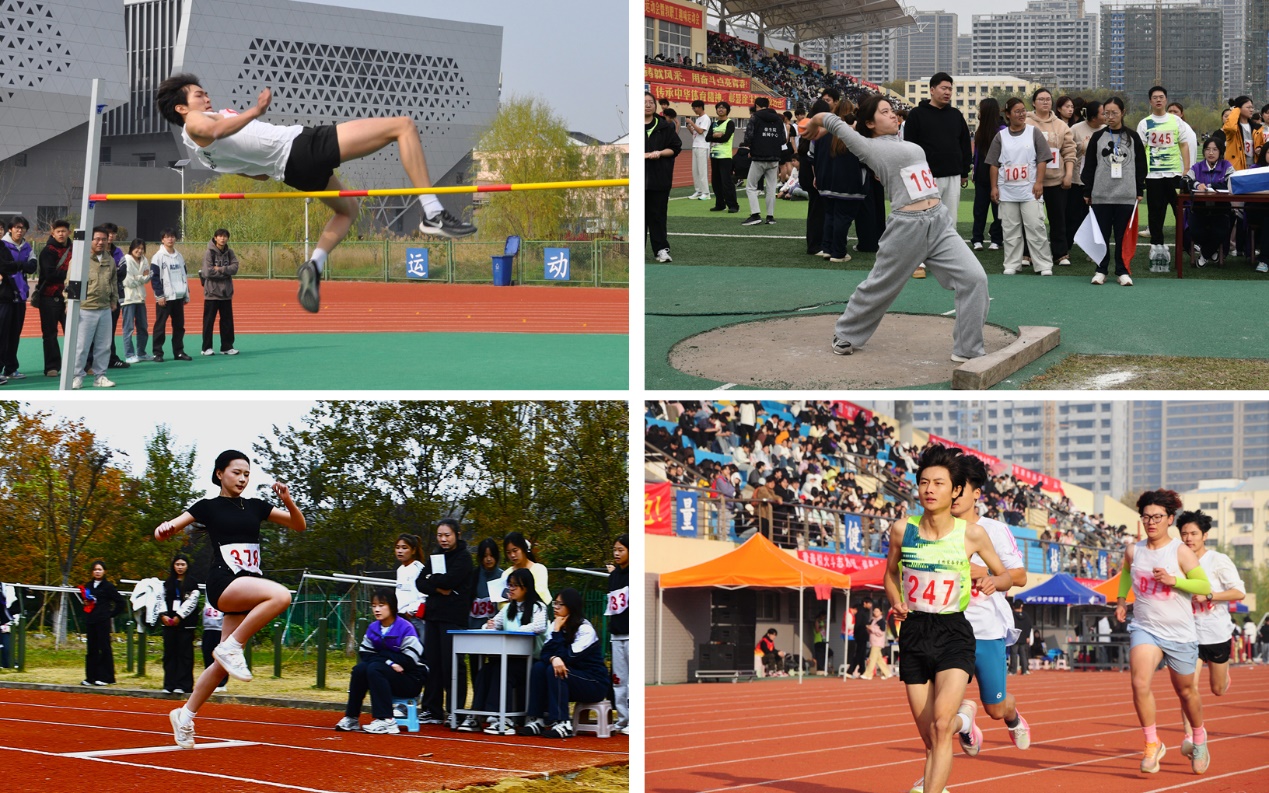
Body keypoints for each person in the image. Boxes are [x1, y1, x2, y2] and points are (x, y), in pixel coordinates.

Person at [155, 73, 475, 314]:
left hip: (292, 172)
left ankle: (314, 265)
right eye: (199, 95)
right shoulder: (195, 122)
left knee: (347, 209)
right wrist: (255, 111)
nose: (206, 98)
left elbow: (258, 174)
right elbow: (213, 129)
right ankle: (433, 212)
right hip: (300, 146)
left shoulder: (202, 155)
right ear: (181, 107)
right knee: (403, 126)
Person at [801, 96, 990, 362]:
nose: (893, 115)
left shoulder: (908, 144)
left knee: (975, 279)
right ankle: (846, 333)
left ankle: (968, 350)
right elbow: (832, 121)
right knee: (881, 285)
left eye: (892, 110)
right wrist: (815, 123)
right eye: (884, 112)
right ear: (870, 123)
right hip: (907, 227)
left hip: (939, 221)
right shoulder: (867, 146)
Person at [882, 445, 1013, 793]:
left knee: (941, 727)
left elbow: (1008, 576)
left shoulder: (971, 534)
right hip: (914, 633)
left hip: (953, 632)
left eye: (939, 483)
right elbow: (890, 574)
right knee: (931, 736)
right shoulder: (902, 530)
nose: (929, 489)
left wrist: (992, 580)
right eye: (924, 482)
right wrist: (896, 601)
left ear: (955, 490)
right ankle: (964, 719)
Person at [154, 449, 305, 749]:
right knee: (280, 595)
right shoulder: (207, 506)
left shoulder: (256, 506)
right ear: (220, 473)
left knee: (221, 666)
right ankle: (231, 647)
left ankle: (185, 715)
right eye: (237, 472)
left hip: (248, 586)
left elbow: (298, 525)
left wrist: (287, 499)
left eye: (247, 474)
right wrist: (163, 530)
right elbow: (171, 527)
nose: (242, 479)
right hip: (224, 582)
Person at [1116, 490, 1212, 775]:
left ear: (1170, 519)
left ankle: (1199, 738)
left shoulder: (1180, 551)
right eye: (1146, 517)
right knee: (1139, 682)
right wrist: (1121, 601)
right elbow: (1126, 572)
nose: (1151, 522)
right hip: (1145, 627)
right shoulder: (1134, 550)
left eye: (1157, 517)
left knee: (1186, 692)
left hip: (1180, 633)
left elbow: (1204, 586)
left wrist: (1174, 581)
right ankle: (1152, 743)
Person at [950, 454, 1031, 755]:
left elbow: (1020, 576)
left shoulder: (994, 530)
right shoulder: (935, 530)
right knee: (941, 703)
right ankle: (965, 722)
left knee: (995, 708)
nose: (953, 495)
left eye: (960, 488)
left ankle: (1012, 717)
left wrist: (988, 575)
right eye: (950, 487)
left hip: (986, 629)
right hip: (948, 628)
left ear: (976, 494)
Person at [1176, 509, 1243, 759]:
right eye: (1184, 534)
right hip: (1188, 634)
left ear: (1205, 535)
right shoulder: (1177, 560)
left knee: (1217, 689)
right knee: (1187, 688)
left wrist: (1210, 595)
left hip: (1216, 634)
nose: (1189, 538)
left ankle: (1223, 678)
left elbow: (1238, 592)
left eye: (1194, 533)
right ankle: (1191, 737)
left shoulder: (1218, 560)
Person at [461, 567, 548, 734]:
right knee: (486, 670)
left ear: (526, 587)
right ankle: (476, 715)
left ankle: (504, 719)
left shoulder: (538, 607)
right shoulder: (508, 608)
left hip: (530, 661)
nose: (511, 589)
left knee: (502, 671)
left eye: (515, 586)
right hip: (509, 658)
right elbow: (492, 624)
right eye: (510, 585)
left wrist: (517, 631)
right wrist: (489, 625)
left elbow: (539, 626)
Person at [902, 73, 972, 280]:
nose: (948, 92)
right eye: (944, 88)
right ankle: (918, 262)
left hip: (952, 175)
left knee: (949, 220)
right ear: (932, 90)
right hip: (925, 177)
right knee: (923, 220)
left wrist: (964, 171)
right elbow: (909, 147)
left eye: (950, 89)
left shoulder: (956, 115)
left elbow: (964, 144)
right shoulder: (917, 115)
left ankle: (947, 262)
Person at [519, 588, 610, 739]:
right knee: (539, 667)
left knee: (555, 671)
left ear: (571, 606)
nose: (555, 607)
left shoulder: (585, 629)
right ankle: (537, 719)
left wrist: (556, 637)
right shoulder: (556, 625)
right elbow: (544, 653)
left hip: (594, 682)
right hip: (571, 677)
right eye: (555, 603)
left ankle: (563, 723)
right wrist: (553, 657)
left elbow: (568, 657)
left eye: (560, 604)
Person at [334, 587, 425, 734]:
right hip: (386, 673)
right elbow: (365, 654)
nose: (377, 610)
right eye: (374, 606)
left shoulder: (406, 628)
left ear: (392, 606)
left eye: (381, 605)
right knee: (360, 669)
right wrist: (389, 661)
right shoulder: (373, 628)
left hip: (410, 679)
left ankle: (386, 720)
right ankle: (351, 717)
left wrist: (382, 657)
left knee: (375, 668)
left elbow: (409, 660)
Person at [1081, 97, 1146, 286]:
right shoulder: (1098, 137)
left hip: (1126, 195)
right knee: (1101, 236)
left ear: (1123, 113)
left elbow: (1141, 166)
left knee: (1122, 236)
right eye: (1106, 113)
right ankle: (1101, 269)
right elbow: (1090, 165)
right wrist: (1087, 191)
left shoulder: (1133, 137)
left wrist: (1139, 189)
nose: (1110, 117)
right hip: (1101, 195)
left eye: (1114, 113)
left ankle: (1122, 270)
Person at [415, 518, 474, 725]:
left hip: (453, 619)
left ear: (457, 534)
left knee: (452, 665)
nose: (443, 539)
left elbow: (451, 580)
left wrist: (434, 581)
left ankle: (455, 710)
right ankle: (432, 710)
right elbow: (420, 582)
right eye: (440, 535)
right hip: (433, 616)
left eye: (447, 535)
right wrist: (438, 587)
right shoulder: (436, 556)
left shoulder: (464, 558)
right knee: (432, 663)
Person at [987, 98, 1055, 276]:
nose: (1021, 114)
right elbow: (993, 164)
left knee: (1036, 227)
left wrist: (1039, 182)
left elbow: (1042, 159)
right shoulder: (1000, 136)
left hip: (1030, 190)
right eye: (1017, 111)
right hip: (1007, 191)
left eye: (1023, 110)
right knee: (1010, 229)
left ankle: (1043, 265)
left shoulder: (1034, 132)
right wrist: (994, 187)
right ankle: (1012, 264)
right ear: (1008, 115)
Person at [1137, 86, 1194, 272]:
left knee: (1180, 211)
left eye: (1161, 97)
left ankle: (1188, 245)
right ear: (1150, 101)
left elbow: (1184, 145)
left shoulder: (1176, 121)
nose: (1158, 100)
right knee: (1155, 212)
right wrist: (1141, 174)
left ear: (1166, 99)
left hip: (1174, 174)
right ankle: (1156, 245)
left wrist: (1186, 169)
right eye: (1155, 97)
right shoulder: (1144, 123)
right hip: (1153, 175)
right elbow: (1140, 150)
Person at [1026, 88, 1077, 267]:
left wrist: (1068, 175)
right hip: (1031, 181)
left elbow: (1069, 151)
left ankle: (1060, 253)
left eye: (1048, 99)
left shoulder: (1061, 125)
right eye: (1041, 99)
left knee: (1058, 219)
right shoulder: (1026, 123)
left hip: (1056, 180)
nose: (1045, 102)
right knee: (1031, 220)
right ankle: (1027, 253)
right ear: (1034, 103)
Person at [815, 98, 868, 264]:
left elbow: (814, 156)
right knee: (843, 217)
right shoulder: (855, 132)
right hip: (849, 182)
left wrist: (817, 176)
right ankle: (838, 252)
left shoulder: (824, 131)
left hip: (826, 180)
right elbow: (865, 158)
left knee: (830, 215)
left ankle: (827, 248)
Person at [72, 226, 119, 389]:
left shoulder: (110, 259)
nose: (100, 242)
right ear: (90, 240)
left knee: (104, 346)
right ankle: (76, 376)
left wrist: (114, 300)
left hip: (104, 308)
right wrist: (68, 303)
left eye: (104, 239)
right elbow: (69, 282)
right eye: (97, 239)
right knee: (81, 346)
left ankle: (100, 376)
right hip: (85, 308)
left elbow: (113, 281)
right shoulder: (80, 259)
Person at [645, 91, 681, 263]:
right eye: (644, 102)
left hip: (659, 178)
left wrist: (659, 153)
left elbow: (675, 147)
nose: (647, 105)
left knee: (658, 216)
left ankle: (661, 249)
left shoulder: (664, 126)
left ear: (655, 106)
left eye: (650, 102)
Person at [1187, 139, 1235, 267]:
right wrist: (1197, 185)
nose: (1211, 153)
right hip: (1199, 210)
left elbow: (1231, 183)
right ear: (1204, 152)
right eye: (1207, 149)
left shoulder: (1227, 166)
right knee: (1195, 231)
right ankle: (1212, 252)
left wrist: (1209, 185)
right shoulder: (1197, 167)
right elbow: (1185, 181)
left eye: (1215, 149)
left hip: (1220, 210)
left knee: (1220, 231)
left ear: (1220, 151)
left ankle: (1204, 255)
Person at [0, 216, 37, 381]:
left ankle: (10, 368)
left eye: (22, 228)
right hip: (4, 296)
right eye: (16, 227)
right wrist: (20, 265)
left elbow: (32, 266)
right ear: (10, 229)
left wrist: (16, 266)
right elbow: (4, 266)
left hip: (20, 295)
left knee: (15, 334)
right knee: (2, 334)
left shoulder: (27, 246)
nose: (19, 230)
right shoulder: (3, 245)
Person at [33, 219, 71, 377]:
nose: (61, 234)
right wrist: (70, 275)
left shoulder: (74, 249)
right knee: (50, 334)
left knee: (74, 333)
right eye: (58, 231)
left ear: (69, 232)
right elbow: (50, 274)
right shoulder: (47, 251)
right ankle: (52, 366)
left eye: (64, 231)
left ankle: (80, 364)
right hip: (50, 298)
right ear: (52, 233)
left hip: (70, 297)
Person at [158, 553, 200, 694]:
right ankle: (169, 684)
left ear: (187, 566)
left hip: (185, 625)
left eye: (183, 564)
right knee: (169, 654)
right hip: (168, 625)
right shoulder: (167, 583)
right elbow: (160, 599)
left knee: (185, 655)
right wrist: (163, 615)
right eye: (177, 564)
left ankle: (183, 685)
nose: (180, 567)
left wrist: (179, 616)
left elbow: (192, 602)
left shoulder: (192, 583)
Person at [742, 97, 788, 226]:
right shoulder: (778, 119)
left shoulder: (755, 117)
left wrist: (752, 145)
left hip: (759, 157)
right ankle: (770, 217)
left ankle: (755, 214)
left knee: (751, 187)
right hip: (774, 158)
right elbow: (783, 139)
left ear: (757, 105)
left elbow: (748, 137)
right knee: (771, 188)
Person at [1067, 101, 1104, 261]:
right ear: (1094, 117)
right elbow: (1067, 151)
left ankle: (1093, 250)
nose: (1106, 115)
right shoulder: (1076, 129)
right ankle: (1065, 248)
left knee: (1096, 218)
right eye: (1103, 113)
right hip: (1077, 180)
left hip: (1099, 182)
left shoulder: (1106, 129)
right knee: (1074, 216)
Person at [150, 228, 192, 363]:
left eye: (173, 236)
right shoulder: (158, 257)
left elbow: (184, 275)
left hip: (178, 297)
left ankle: (179, 352)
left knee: (179, 326)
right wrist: (159, 295)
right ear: (162, 239)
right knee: (160, 326)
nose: (170, 239)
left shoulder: (179, 256)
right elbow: (155, 278)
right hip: (165, 298)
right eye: (167, 237)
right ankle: (157, 353)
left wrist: (186, 293)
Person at [80, 559, 125, 686]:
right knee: (91, 649)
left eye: (100, 569)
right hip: (91, 620)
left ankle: (107, 677)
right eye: (95, 570)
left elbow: (120, 602)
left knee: (104, 648)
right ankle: (91, 677)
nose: (97, 572)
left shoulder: (108, 586)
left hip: (103, 621)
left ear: (104, 571)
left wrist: (110, 614)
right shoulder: (89, 585)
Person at [970, 98, 1004, 252]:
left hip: (999, 176)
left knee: (998, 210)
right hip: (982, 176)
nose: (979, 112)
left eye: (981, 109)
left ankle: (996, 239)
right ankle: (977, 239)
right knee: (979, 210)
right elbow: (977, 154)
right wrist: (975, 171)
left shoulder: (1002, 130)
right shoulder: (981, 130)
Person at [200, 228, 239, 356]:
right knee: (209, 322)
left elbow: (235, 268)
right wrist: (226, 272)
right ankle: (206, 348)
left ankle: (227, 347)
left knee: (227, 321)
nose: (222, 239)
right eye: (220, 236)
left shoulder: (230, 253)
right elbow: (207, 272)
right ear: (215, 238)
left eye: (225, 236)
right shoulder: (209, 253)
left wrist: (220, 269)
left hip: (226, 293)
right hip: (212, 293)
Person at [606, 534, 630, 732]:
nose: (616, 553)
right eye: (615, 549)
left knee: (631, 681)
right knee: (619, 680)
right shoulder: (613, 576)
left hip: (631, 635)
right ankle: (622, 719)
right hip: (617, 635)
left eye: (621, 550)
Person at [120, 239, 152, 364]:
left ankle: (141, 353)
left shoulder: (144, 260)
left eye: (142, 248)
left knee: (143, 327)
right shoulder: (126, 260)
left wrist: (139, 277)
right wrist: (142, 277)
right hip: (128, 299)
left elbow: (148, 277)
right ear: (131, 248)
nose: (139, 251)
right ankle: (129, 354)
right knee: (128, 328)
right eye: (137, 248)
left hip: (140, 298)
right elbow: (127, 281)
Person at [502, 532, 550, 604]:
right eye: (508, 552)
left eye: (515, 550)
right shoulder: (506, 574)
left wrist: (516, 598)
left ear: (523, 549)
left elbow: (541, 593)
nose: (512, 555)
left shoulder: (539, 569)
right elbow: (501, 602)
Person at [708, 102, 739, 213]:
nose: (720, 109)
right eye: (718, 108)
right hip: (714, 155)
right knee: (715, 182)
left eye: (723, 108)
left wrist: (714, 136)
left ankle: (733, 205)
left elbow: (726, 138)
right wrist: (717, 135)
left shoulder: (730, 123)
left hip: (725, 156)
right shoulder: (714, 123)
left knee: (727, 182)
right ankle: (720, 204)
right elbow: (707, 138)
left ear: (727, 110)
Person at [394, 533, 426, 636]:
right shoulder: (400, 570)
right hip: (400, 617)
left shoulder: (418, 568)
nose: (400, 551)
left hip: (414, 619)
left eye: (404, 548)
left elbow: (424, 595)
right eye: (397, 548)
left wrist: (410, 611)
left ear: (413, 550)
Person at [1222, 96, 1264, 171]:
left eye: (1252, 107)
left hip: (1254, 167)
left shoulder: (1258, 128)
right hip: (1237, 168)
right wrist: (1235, 110)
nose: (1251, 110)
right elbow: (1230, 127)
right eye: (1248, 107)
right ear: (1239, 109)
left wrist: (1260, 148)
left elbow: (1262, 144)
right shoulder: (1234, 128)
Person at [200, 602, 229, 693]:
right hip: (208, 628)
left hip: (221, 629)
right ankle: (209, 681)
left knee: (221, 656)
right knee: (208, 654)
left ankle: (221, 683)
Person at [860, 606, 894, 680]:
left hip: (878, 642)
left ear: (881, 612)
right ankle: (887, 673)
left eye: (877, 611)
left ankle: (867, 673)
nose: (875, 612)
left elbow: (881, 632)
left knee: (872, 658)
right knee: (879, 659)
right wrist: (868, 628)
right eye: (874, 611)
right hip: (872, 642)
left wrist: (872, 629)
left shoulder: (881, 621)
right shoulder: (872, 620)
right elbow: (870, 630)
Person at [688, 100, 712, 201]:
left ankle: (706, 193)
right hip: (696, 145)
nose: (694, 110)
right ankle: (699, 191)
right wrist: (690, 128)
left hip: (703, 146)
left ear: (700, 107)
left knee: (702, 170)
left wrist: (692, 123)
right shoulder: (698, 119)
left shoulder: (706, 118)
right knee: (695, 170)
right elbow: (696, 133)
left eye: (695, 108)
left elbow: (701, 131)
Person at [1011, 601, 1033, 675]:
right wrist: (1027, 636)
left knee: (1013, 654)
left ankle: (1013, 670)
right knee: (1023, 655)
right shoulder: (1026, 615)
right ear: (1021, 606)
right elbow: (1029, 626)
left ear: (1014, 606)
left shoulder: (1012, 614)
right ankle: (1025, 670)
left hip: (1014, 637)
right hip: (1024, 638)